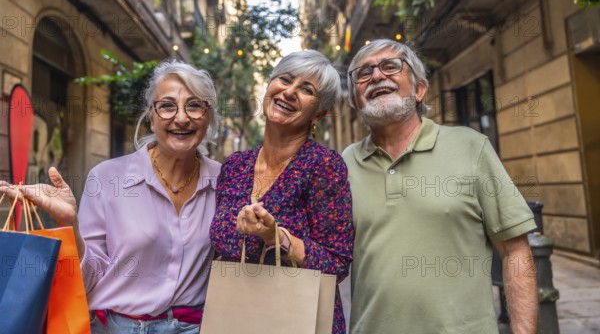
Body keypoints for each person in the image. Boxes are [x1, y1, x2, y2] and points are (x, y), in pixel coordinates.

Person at [1, 60, 221, 333]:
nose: (181, 117)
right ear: (151, 116)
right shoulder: (106, 178)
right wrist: (71, 224)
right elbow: (87, 280)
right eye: (167, 106)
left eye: (194, 105)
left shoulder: (224, 182)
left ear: (208, 116)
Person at [342, 39, 538, 334]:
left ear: (419, 89)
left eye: (390, 66)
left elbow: (515, 250)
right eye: (363, 73)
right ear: (355, 100)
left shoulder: (471, 146)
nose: (377, 76)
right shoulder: (344, 164)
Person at [209, 50, 355, 334]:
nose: (289, 92)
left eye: (306, 89)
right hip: (235, 317)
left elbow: (337, 264)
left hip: (299, 319)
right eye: (285, 80)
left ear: (320, 113)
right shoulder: (234, 166)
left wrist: (277, 238)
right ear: (269, 86)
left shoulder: (324, 165)